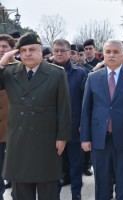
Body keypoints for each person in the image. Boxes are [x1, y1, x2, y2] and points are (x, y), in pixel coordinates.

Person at [0, 32, 71, 200]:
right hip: (19, 140)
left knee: (48, 191)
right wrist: (2, 62)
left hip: (46, 140)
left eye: (32, 49)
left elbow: (64, 107)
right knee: (21, 192)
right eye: (23, 50)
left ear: (41, 51)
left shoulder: (56, 73)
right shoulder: (9, 72)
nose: (27, 53)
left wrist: (63, 136)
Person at [80, 39, 123, 200]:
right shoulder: (93, 77)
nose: (112, 55)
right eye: (108, 52)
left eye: (116, 52)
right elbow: (86, 110)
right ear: (102, 55)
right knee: (102, 183)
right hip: (99, 139)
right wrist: (85, 138)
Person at [52, 39, 87, 200]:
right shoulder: (46, 71)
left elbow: (86, 101)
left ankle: (76, 195)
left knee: (76, 166)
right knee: (55, 168)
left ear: (69, 52)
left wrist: (83, 124)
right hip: (52, 130)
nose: (59, 53)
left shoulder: (80, 73)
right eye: (56, 50)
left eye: (63, 50)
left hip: (75, 129)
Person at [0, 34, 16, 200]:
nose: (1, 50)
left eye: (4, 47)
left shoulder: (19, 67)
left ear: (12, 49)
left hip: (16, 126)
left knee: (16, 167)